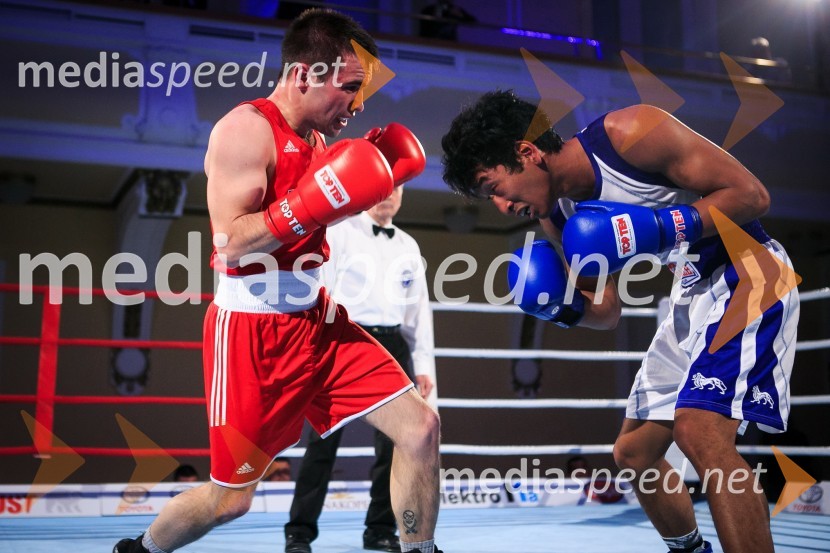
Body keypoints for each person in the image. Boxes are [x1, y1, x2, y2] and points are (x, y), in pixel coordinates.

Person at [114, 9, 443, 553]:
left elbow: (317, 220)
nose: (359, 105)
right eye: (351, 88)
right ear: (305, 74)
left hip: (318, 320)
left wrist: (347, 194)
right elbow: (230, 243)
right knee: (230, 501)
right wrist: (309, 205)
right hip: (253, 333)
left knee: (421, 428)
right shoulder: (245, 130)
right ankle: (140, 550)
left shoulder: (319, 141)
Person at [441, 90, 799, 553]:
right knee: (634, 453)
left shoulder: (630, 134)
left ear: (526, 152)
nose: (502, 206)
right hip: (692, 294)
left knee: (699, 431)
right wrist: (564, 309)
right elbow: (606, 311)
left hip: (750, 274)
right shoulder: (560, 216)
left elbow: (752, 196)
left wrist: (661, 228)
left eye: (494, 188)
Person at [284, 186, 437, 553]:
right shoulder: (339, 232)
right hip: (345, 339)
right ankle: (299, 532)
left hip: (393, 343)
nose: (390, 195)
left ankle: (380, 530)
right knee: (323, 441)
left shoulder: (409, 245)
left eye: (397, 188)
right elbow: (319, 292)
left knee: (396, 445)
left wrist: (423, 365)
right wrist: (315, 350)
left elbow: (419, 311)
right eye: (384, 187)